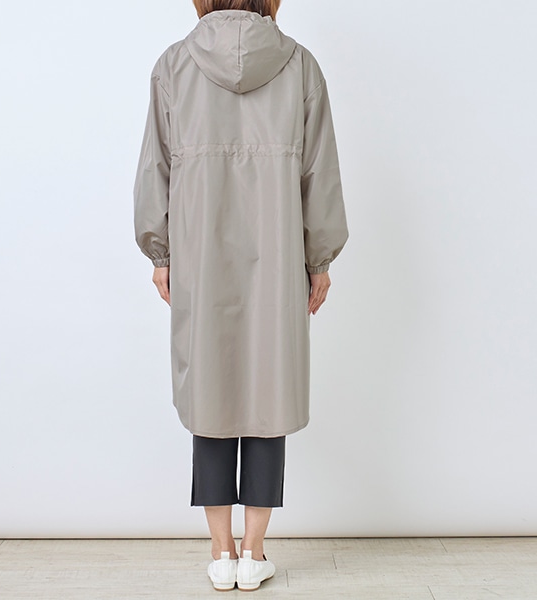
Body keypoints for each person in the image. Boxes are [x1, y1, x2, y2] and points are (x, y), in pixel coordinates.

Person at [133, 0, 349, 592]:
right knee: (266, 391)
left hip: (199, 258)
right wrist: (319, 258)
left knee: (212, 392)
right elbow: (320, 173)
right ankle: (254, 553)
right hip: (278, 259)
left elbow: (154, 169)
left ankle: (220, 552)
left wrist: (161, 253)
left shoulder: (174, 65)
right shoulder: (299, 65)